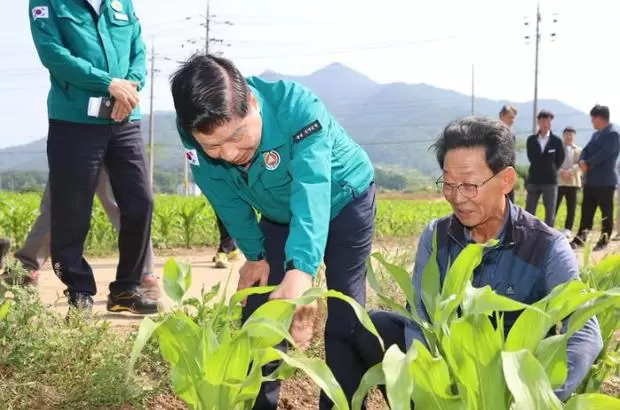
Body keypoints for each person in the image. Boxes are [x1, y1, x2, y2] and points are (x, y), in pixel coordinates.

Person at [349, 116, 603, 407]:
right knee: (376, 326)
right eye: (448, 184)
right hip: (448, 379)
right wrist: (428, 389)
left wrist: (536, 399)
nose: (456, 198)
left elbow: (585, 331)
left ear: (506, 180)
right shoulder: (436, 236)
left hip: (510, 389)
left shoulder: (546, 246)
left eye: (469, 185)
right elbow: (419, 318)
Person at [170, 54, 376, 409]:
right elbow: (223, 195)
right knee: (261, 308)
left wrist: (301, 269)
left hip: (344, 199)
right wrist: (256, 254)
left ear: (251, 100)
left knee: (345, 314)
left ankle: (342, 404)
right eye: (213, 147)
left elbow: (312, 187)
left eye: (237, 135)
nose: (230, 153)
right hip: (279, 212)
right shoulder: (193, 132)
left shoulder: (297, 109)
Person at [28, 0, 158, 316]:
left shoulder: (121, 3)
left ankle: (127, 288)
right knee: (71, 211)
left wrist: (130, 86)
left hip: (124, 117)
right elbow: (53, 54)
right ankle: (79, 291)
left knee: (141, 202)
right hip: (74, 121)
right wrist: (108, 83)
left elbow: (138, 52)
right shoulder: (47, 3)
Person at [0, 168, 160, 300]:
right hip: (75, 134)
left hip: (111, 135)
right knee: (59, 205)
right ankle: (26, 268)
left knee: (127, 206)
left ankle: (142, 277)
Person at [571, 105, 620, 251]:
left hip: (605, 181)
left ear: (599, 118)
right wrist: (581, 161)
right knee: (587, 210)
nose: (592, 122)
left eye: (593, 119)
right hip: (591, 180)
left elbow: (605, 153)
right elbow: (585, 150)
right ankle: (581, 237)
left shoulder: (613, 134)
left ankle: (604, 239)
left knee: (606, 211)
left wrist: (588, 164)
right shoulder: (596, 134)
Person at [525, 110, 565, 227]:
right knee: (529, 211)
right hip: (534, 179)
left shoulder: (556, 141)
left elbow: (560, 159)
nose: (545, 124)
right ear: (538, 122)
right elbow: (531, 157)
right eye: (543, 121)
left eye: (548, 121)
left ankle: (548, 239)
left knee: (550, 213)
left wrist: (551, 168)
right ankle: (528, 235)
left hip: (550, 181)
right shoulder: (531, 140)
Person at [555, 127, 582, 239]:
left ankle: (568, 229)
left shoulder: (579, 150)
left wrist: (570, 171)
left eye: (571, 134)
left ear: (574, 136)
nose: (569, 136)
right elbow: (554, 161)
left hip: (573, 182)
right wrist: (561, 171)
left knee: (571, 207)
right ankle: (550, 227)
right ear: (563, 135)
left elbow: (580, 163)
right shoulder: (558, 148)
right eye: (567, 134)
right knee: (554, 206)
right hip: (559, 182)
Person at [499, 105, 518, 203]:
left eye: (514, 117)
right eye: (510, 117)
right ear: (502, 116)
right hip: (496, 173)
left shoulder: (512, 134)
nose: (513, 120)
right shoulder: (493, 132)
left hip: (508, 174)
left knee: (509, 203)